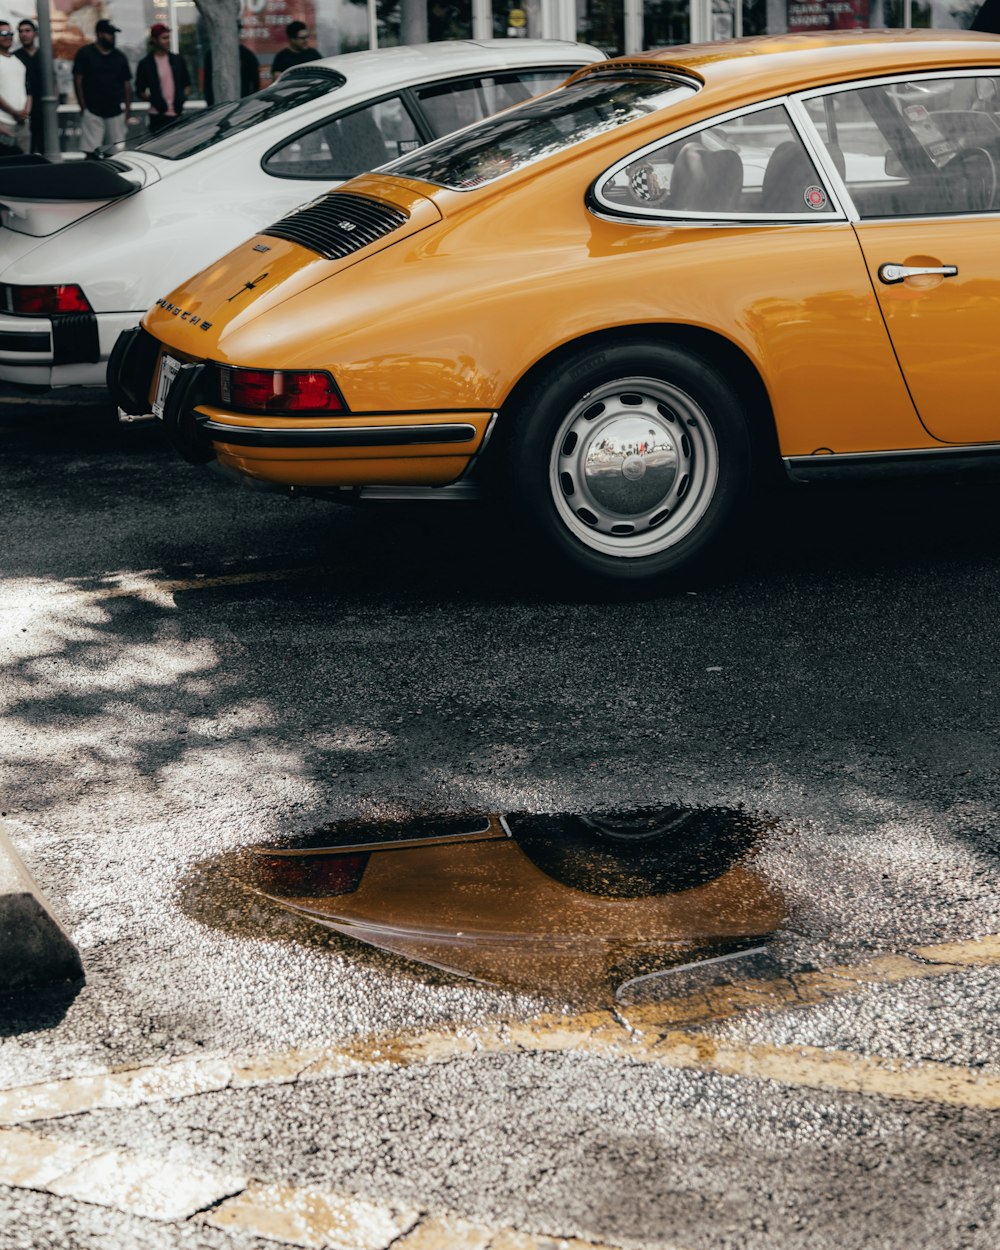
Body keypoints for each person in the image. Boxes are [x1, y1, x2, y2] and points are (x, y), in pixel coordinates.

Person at [73, 18, 131, 152]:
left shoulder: (119, 56)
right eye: (110, 34)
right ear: (100, 34)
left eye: (114, 34)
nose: (113, 37)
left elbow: (127, 85)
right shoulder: (85, 54)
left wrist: (127, 112)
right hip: (93, 111)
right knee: (92, 152)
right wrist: (83, 107)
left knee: (116, 152)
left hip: (115, 111)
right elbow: (78, 80)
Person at [135, 23, 190, 133]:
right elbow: (140, 90)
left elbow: (187, 84)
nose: (167, 41)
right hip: (157, 116)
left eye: (168, 37)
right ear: (155, 40)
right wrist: (155, 100)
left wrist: (181, 98)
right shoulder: (146, 64)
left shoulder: (177, 60)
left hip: (177, 114)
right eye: (164, 38)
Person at [202, 23, 259, 106]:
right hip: (218, 104)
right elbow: (207, 83)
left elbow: (255, 82)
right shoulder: (212, 55)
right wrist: (210, 103)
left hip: (243, 104)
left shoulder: (247, 55)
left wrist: (250, 103)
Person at [0, 17, 30, 155]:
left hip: (22, 122)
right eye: (4, 34)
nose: (8, 37)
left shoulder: (18, 61)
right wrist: (13, 112)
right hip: (3, 123)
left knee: (24, 166)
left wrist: (25, 112)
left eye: (10, 33)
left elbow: (28, 90)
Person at [14, 18, 41, 151]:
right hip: (22, 109)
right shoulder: (15, 56)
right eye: (21, 31)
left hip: (42, 107)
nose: (24, 34)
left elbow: (53, 80)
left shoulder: (44, 54)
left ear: (35, 33)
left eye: (27, 31)